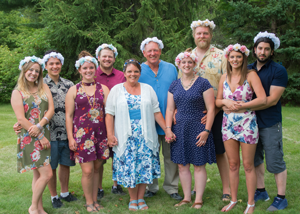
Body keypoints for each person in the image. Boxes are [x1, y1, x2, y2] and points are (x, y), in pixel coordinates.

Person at [105, 59, 175, 210]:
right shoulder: (116, 90)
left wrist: (167, 129)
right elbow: (109, 115)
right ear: (124, 73)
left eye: (136, 71)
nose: (133, 74)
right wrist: (110, 135)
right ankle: (132, 198)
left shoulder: (148, 89)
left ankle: (141, 198)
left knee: (143, 166)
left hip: (145, 135)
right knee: (130, 167)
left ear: (140, 73)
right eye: (129, 71)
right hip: (125, 136)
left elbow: (156, 112)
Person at [14, 51, 78, 208]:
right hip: (44, 134)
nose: (55, 66)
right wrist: (23, 125)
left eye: (57, 63)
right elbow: (23, 115)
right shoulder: (39, 85)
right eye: (51, 64)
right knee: (48, 170)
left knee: (63, 165)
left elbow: (65, 109)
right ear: (46, 67)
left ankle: (54, 198)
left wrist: (39, 125)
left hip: (62, 130)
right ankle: (50, 198)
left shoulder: (67, 85)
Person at [215, 44, 266, 213]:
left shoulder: (250, 75)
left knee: (248, 165)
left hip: (247, 124)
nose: (235, 60)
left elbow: (262, 99)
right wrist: (225, 102)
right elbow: (217, 101)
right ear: (227, 59)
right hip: (228, 125)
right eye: (232, 57)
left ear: (244, 58)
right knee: (232, 164)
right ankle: (234, 200)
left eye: (238, 57)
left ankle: (250, 203)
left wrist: (242, 106)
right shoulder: (224, 78)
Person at [185, 19, 231, 200]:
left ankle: (226, 189)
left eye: (205, 33)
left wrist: (215, 109)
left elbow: (227, 83)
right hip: (192, 112)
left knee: (220, 150)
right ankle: (196, 187)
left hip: (217, 111)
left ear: (211, 35)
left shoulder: (222, 56)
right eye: (199, 33)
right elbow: (182, 82)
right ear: (194, 36)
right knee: (194, 148)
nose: (202, 36)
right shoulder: (187, 56)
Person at [165, 50, 216, 209]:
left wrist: (207, 131)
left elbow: (211, 108)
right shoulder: (174, 85)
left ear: (194, 64)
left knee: (199, 164)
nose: (186, 65)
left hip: (199, 129)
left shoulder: (203, 83)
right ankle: (186, 198)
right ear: (178, 64)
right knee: (182, 165)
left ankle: (198, 199)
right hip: (179, 130)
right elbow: (169, 109)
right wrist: (168, 128)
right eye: (183, 62)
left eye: (189, 62)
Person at [248, 32, 288, 211]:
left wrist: (244, 107)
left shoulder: (278, 70)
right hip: (249, 123)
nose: (262, 52)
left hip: (270, 122)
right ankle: (261, 190)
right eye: (260, 48)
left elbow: (272, 100)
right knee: (255, 159)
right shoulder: (247, 68)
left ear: (272, 52)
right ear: (254, 49)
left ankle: (281, 197)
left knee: (275, 160)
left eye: (266, 49)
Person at [65, 51, 110, 212]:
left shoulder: (103, 88)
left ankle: (95, 200)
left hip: (100, 135)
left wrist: (110, 134)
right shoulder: (73, 90)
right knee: (88, 170)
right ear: (80, 70)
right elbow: (69, 116)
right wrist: (71, 138)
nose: (88, 70)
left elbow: (109, 113)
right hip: (82, 136)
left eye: (91, 67)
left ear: (95, 69)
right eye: (85, 68)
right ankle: (89, 202)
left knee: (97, 168)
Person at [138, 37, 182, 200]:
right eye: (149, 51)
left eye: (155, 50)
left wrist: (178, 109)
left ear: (160, 51)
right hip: (148, 121)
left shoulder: (171, 68)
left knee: (171, 156)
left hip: (170, 120)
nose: (153, 53)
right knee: (150, 155)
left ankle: (172, 187)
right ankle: (151, 186)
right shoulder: (138, 69)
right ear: (144, 53)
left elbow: (179, 90)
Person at [11, 56, 54, 214]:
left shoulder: (43, 87)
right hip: (30, 138)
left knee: (38, 174)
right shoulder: (18, 92)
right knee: (47, 173)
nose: (34, 73)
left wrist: (40, 126)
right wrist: (39, 134)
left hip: (42, 131)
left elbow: (51, 110)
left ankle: (39, 208)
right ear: (24, 70)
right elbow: (21, 118)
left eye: (37, 71)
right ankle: (33, 207)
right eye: (31, 70)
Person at [95, 43, 126, 198]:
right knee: (100, 157)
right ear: (99, 58)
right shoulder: (91, 73)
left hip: (117, 119)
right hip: (97, 121)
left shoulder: (121, 75)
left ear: (114, 59)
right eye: (104, 56)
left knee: (117, 152)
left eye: (110, 56)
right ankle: (99, 187)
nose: (107, 59)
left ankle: (116, 184)